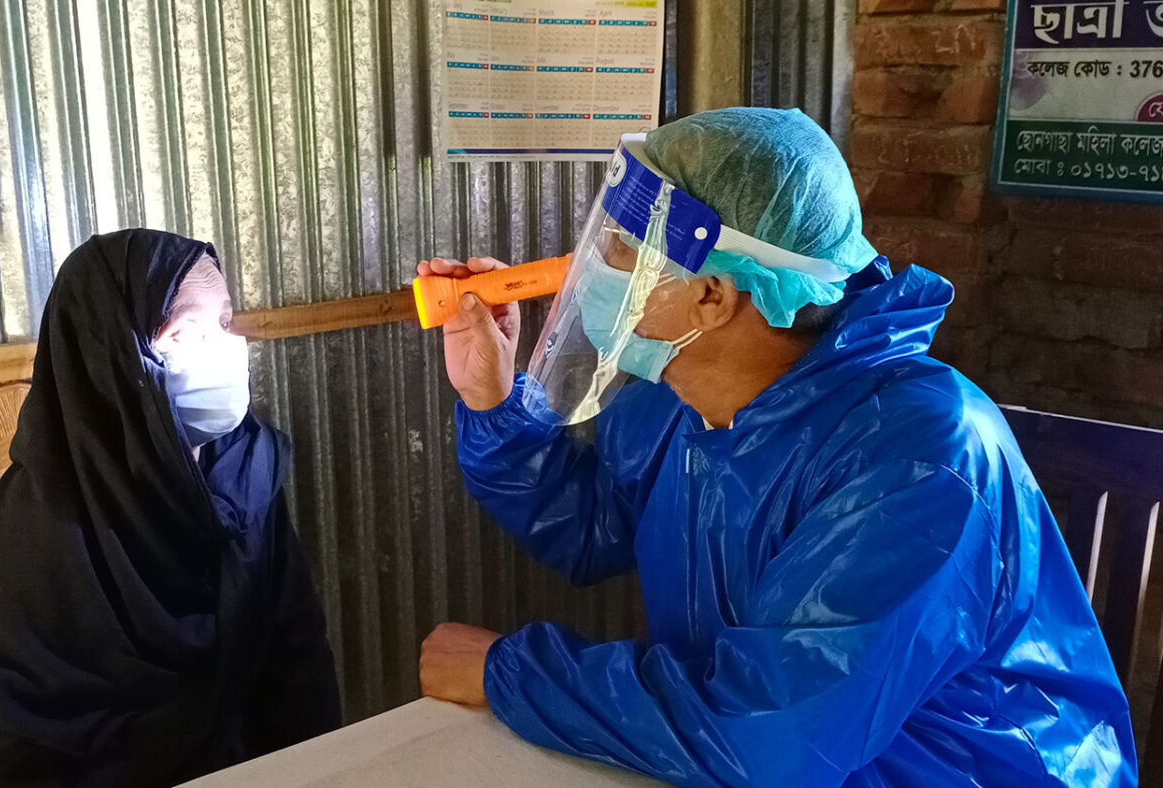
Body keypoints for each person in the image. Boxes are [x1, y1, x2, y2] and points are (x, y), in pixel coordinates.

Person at [416, 108, 1136, 786]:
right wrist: (492, 398)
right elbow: (588, 531)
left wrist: (504, 672)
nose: (586, 273)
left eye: (619, 253)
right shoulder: (680, 395)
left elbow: (774, 739)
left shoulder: (918, 457)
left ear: (712, 296)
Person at [0, 230, 341, 786]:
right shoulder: (41, 535)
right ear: (112, 361)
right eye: (182, 334)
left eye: (222, 324)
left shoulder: (248, 471)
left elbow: (296, 660)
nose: (223, 350)